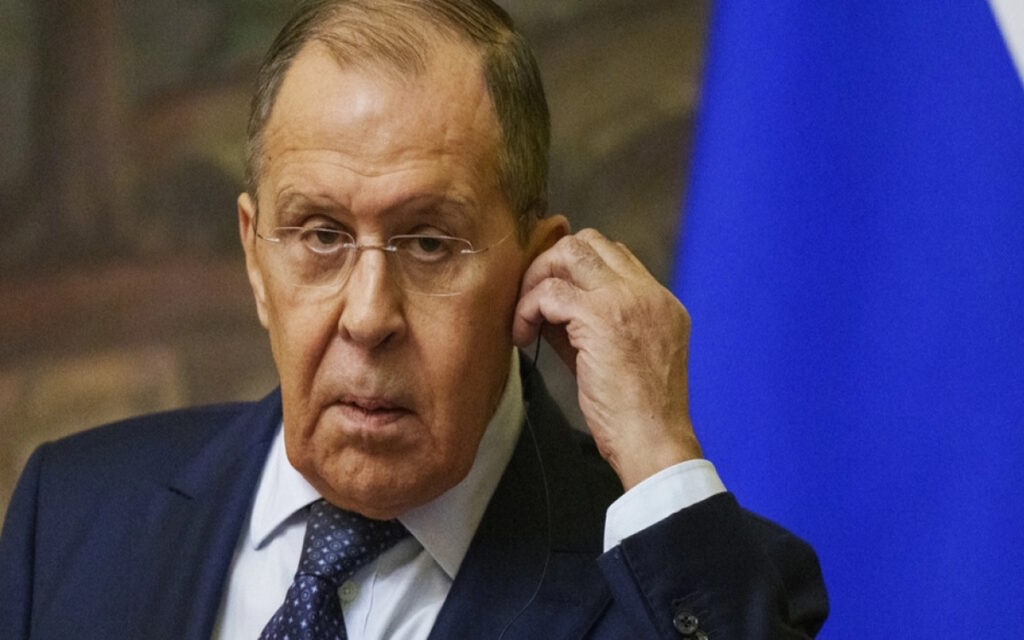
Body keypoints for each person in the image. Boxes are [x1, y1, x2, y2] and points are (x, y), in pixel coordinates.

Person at [0, 1, 828, 638]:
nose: (368, 317)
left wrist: (656, 448)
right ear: (255, 259)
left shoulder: (690, 583)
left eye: (430, 243)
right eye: (321, 235)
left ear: (535, 270)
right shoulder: (71, 516)